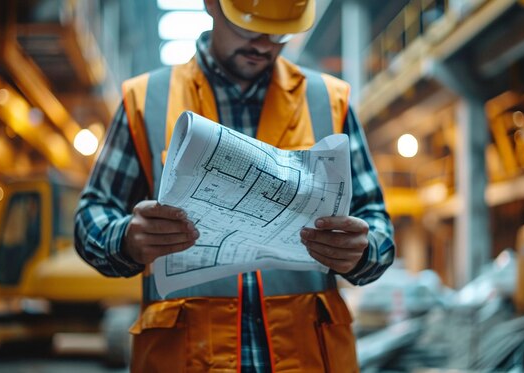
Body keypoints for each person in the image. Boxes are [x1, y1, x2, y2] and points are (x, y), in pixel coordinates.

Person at [74, 0, 395, 371]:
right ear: (212, 5)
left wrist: (362, 251)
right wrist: (126, 239)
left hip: (306, 357)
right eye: (249, 27)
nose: (263, 45)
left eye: (279, 33)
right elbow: (90, 217)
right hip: (186, 357)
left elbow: (377, 224)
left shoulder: (329, 100)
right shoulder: (146, 99)